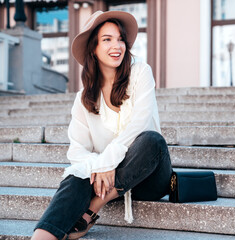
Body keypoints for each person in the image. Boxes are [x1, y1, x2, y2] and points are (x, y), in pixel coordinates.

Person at [31, 10, 172, 240]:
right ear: (93, 49)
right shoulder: (83, 98)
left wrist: (108, 161)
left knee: (152, 140)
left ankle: (92, 208)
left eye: (120, 39)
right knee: (75, 176)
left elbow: (141, 124)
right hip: (108, 181)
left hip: (149, 178)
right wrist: (101, 166)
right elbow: (77, 151)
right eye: (107, 39)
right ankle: (42, 236)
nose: (117, 46)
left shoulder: (140, 73)